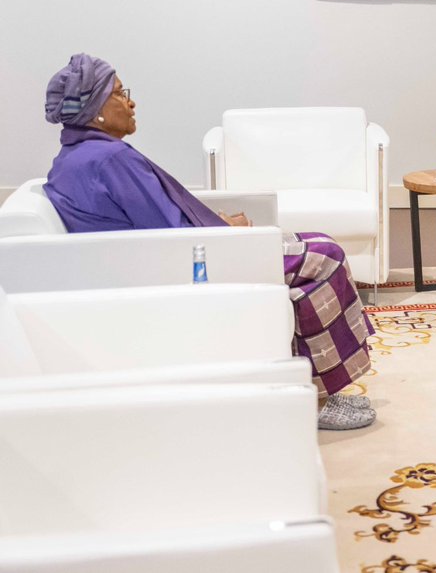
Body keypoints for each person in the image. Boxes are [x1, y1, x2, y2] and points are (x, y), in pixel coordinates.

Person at [42, 53, 376, 431]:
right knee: (325, 255)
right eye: (119, 94)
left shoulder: (75, 155)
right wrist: (225, 233)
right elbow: (168, 234)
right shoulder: (108, 158)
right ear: (95, 109)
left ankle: (309, 388)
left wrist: (219, 222)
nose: (131, 102)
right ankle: (316, 402)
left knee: (313, 244)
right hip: (183, 267)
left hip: (158, 260)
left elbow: (156, 220)